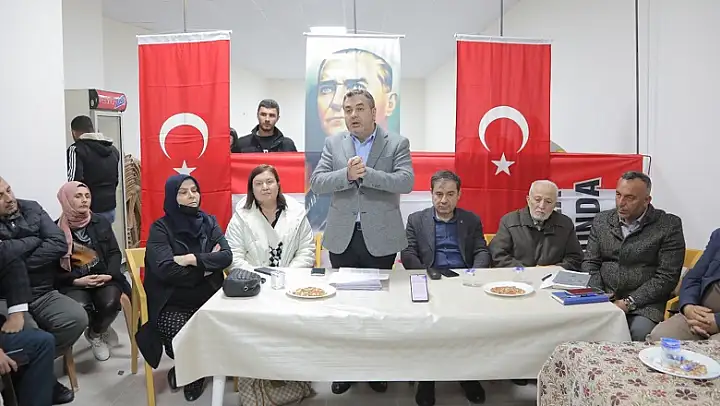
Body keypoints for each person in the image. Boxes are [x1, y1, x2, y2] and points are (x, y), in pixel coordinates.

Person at [310, 88, 414, 395]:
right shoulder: (333, 143)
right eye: (347, 110)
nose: (352, 115)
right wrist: (347, 174)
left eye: (359, 108)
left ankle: (376, 369)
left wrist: (368, 175)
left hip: (380, 237)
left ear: (373, 112)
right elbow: (317, 182)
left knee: (378, 309)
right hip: (343, 236)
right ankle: (345, 369)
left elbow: (406, 181)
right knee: (345, 307)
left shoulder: (396, 143)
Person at [136, 174, 232, 402]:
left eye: (194, 190)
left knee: (233, 322)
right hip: (172, 301)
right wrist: (206, 268)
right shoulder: (160, 229)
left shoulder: (209, 222)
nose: (192, 196)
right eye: (183, 192)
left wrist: (191, 259)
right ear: (172, 197)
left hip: (210, 297)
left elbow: (226, 256)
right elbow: (166, 270)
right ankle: (193, 373)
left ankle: (197, 365)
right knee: (181, 335)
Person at [400, 170, 488, 406]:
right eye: (438, 194)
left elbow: (481, 250)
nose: (443, 200)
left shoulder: (471, 220)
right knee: (427, 328)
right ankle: (427, 380)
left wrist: (474, 272)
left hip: (463, 281)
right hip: (430, 279)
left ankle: (467, 376)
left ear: (459, 195)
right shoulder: (416, 220)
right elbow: (408, 253)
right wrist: (425, 274)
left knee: (467, 329)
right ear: (431, 194)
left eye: (450, 194)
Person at [0, 176, 88, 404]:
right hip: (7, 297)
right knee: (29, 334)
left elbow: (59, 243)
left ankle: (36, 370)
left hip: (42, 290)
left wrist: (15, 260)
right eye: (0, 196)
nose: (9, 198)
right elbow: (3, 255)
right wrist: (34, 241)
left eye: (9, 190)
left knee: (76, 318)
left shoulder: (32, 208)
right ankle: (42, 380)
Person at [582, 171, 685, 341]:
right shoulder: (601, 220)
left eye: (630, 198)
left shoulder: (668, 225)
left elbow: (667, 277)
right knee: (579, 327)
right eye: (618, 195)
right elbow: (590, 262)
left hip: (645, 304)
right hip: (603, 297)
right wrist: (598, 295)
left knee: (638, 334)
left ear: (646, 200)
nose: (621, 203)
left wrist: (628, 302)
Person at [54, 181, 131, 361]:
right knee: (80, 308)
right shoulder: (54, 230)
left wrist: (109, 274)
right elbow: (52, 268)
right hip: (74, 282)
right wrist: (75, 280)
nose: (84, 200)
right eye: (78, 196)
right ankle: (100, 325)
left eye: (87, 196)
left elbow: (114, 252)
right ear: (66, 199)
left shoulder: (100, 222)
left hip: (104, 276)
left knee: (110, 303)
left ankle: (96, 333)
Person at [226, 164, 314, 269]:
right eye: (258, 184)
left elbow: (306, 251)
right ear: (252, 189)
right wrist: (256, 275)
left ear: (278, 185)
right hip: (251, 277)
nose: (265, 187)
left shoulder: (297, 213)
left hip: (291, 276)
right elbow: (234, 257)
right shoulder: (240, 218)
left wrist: (287, 274)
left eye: (269, 182)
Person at [489, 180, 583, 270]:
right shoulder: (509, 221)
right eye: (537, 200)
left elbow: (575, 258)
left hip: (552, 277)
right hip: (517, 276)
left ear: (555, 205)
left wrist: (554, 269)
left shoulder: (565, 224)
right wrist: (526, 271)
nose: (542, 206)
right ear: (528, 200)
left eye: (548, 202)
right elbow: (498, 255)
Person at [649, 228, 720, 341]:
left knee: (713, 347)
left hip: (714, 320)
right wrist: (688, 307)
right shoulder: (718, 236)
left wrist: (717, 321)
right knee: (660, 336)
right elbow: (693, 278)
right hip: (698, 312)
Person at [66, 115, 121, 224]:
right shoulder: (113, 150)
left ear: (74, 132)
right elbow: (115, 180)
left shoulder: (76, 150)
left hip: (89, 211)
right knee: (105, 235)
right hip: (110, 208)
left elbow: (73, 182)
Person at [233, 99, 297, 153]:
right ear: (257, 115)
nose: (267, 119)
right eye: (263, 114)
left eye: (272, 115)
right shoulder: (242, 144)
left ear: (277, 118)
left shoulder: (288, 145)